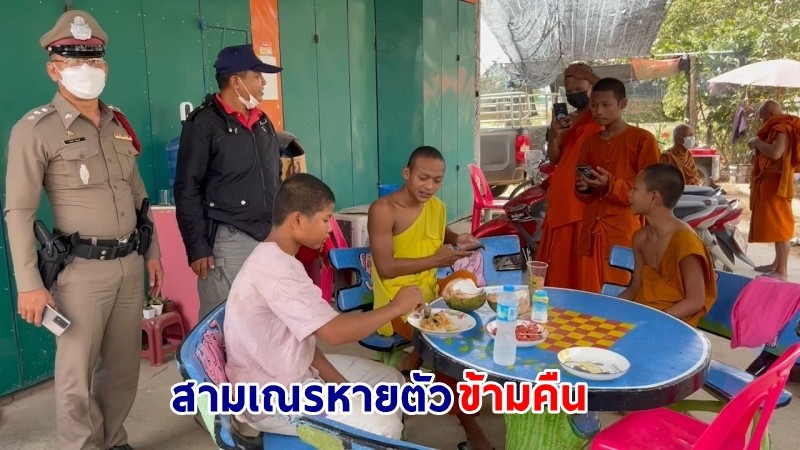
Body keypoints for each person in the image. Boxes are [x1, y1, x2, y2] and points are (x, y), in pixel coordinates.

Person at [4, 10, 163, 450]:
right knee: (75, 375)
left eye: (93, 60)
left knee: (121, 369)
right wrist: (29, 284)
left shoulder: (117, 125)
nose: (86, 70)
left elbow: (139, 197)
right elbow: (17, 211)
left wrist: (153, 255)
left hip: (129, 266)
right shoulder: (35, 130)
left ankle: (113, 440)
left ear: (105, 66)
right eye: (74, 61)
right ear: (53, 69)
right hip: (80, 274)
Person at [224, 173, 423, 438]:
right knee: (383, 426)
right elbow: (334, 333)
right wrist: (396, 308)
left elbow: (304, 342)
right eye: (326, 219)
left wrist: (342, 386)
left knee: (392, 384)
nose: (330, 228)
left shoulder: (279, 259)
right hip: (271, 397)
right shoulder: (276, 271)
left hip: (293, 370)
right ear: (297, 219)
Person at [368, 146, 494, 450]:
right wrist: (436, 261)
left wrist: (456, 240)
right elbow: (385, 269)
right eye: (423, 178)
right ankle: (472, 429)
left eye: (436, 180)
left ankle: (412, 361)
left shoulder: (436, 207)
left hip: (430, 295)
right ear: (407, 173)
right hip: (397, 303)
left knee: (469, 288)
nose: (429, 186)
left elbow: (439, 233)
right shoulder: (383, 210)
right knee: (446, 343)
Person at [174, 44, 283, 320]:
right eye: (257, 76)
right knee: (224, 323)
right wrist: (197, 246)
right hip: (228, 240)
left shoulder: (262, 122)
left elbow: (274, 177)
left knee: (263, 319)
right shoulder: (203, 123)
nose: (263, 83)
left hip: (267, 236)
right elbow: (187, 188)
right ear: (236, 81)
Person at [574, 78, 661, 293]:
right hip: (591, 231)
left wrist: (610, 184)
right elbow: (582, 193)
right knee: (589, 295)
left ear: (622, 105)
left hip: (623, 230)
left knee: (619, 293)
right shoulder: (590, 143)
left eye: (605, 105)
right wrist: (584, 187)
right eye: (594, 105)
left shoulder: (642, 140)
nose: (598, 111)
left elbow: (649, 194)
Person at [620, 164, 717, 326]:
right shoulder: (640, 238)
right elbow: (636, 288)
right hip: (641, 317)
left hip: (674, 325)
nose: (629, 194)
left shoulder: (684, 240)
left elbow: (695, 300)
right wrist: (609, 309)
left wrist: (655, 321)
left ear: (654, 197)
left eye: (635, 189)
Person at [536, 63, 603, 288]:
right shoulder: (569, 120)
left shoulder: (600, 117)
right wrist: (555, 136)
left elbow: (611, 92)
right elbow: (556, 160)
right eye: (569, 90)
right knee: (556, 266)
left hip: (582, 205)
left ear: (591, 87)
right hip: (561, 203)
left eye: (579, 88)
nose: (574, 94)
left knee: (578, 268)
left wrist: (591, 76)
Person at [747, 100, 800, 280]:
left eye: (763, 119)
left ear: (770, 115)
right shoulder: (777, 128)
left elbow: (776, 153)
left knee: (781, 228)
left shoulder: (781, 128)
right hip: (770, 183)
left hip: (777, 185)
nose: (763, 123)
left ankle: (781, 272)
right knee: (777, 227)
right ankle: (776, 264)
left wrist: (756, 141)